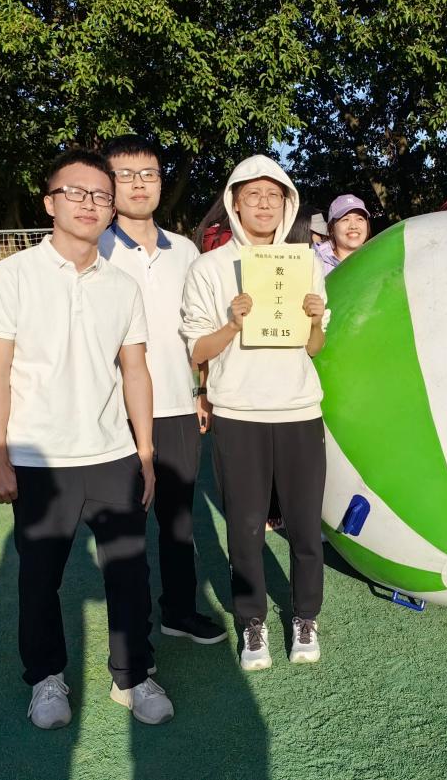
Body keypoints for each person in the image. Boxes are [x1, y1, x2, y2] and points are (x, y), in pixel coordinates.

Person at [0, 149, 174, 728]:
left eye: (101, 196)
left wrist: (145, 451)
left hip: (113, 455)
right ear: (50, 203)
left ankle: (133, 676)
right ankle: (46, 679)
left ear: (112, 209)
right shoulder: (13, 276)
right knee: (40, 579)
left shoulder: (121, 286)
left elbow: (135, 371)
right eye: (76, 192)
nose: (90, 204)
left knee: (130, 574)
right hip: (38, 457)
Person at [180, 155, 329, 670]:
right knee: (244, 528)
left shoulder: (304, 264)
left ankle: (305, 617)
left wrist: (315, 321)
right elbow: (197, 350)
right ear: (234, 203)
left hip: (299, 411)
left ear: (287, 204)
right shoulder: (209, 268)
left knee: (305, 526)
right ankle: (253, 622)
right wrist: (232, 323)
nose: (264, 205)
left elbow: (314, 347)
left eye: (274, 195)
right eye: (253, 196)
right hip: (238, 413)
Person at [98, 135, 226, 646]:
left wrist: (201, 389)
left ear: (160, 181)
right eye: (125, 175)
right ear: (108, 184)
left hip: (176, 403)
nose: (138, 184)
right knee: (124, 528)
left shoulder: (186, 251)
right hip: (113, 409)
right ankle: (132, 636)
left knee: (179, 521)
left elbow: (198, 327)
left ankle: (179, 610)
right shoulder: (96, 248)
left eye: (148, 173)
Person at [314, 194, 372, 276]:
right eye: (345, 219)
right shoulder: (314, 266)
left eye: (360, 219)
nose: (353, 226)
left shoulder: (378, 258)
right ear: (332, 228)